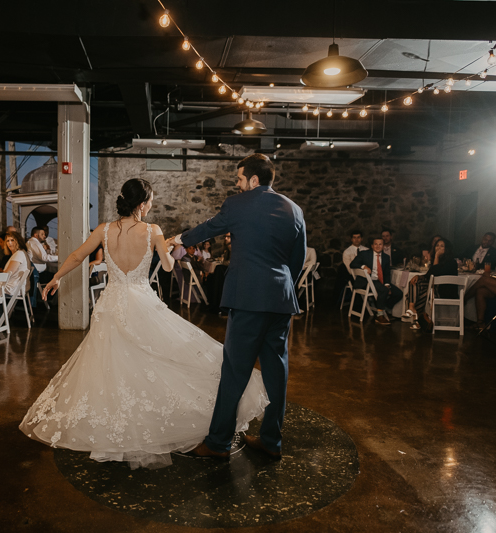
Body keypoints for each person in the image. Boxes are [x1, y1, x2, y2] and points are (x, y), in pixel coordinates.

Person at [20, 178, 269, 469]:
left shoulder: (104, 229)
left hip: (111, 304)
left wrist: (56, 277)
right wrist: (171, 248)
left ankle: (113, 420)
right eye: (150, 201)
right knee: (153, 358)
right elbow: (167, 266)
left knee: (111, 364)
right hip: (141, 301)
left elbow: (77, 255)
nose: (151, 206)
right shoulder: (153, 231)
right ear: (141, 204)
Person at [170, 153, 306, 461]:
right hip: (281, 300)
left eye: (240, 178)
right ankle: (272, 441)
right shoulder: (294, 209)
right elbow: (296, 260)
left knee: (234, 370)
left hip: (248, 298)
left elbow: (209, 228)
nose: (237, 183)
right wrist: (281, 286)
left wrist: (178, 238)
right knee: (277, 371)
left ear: (254, 180)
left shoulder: (237, 204)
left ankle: (218, 443)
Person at [405, 238, 458, 330]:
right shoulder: (437, 260)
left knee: (413, 295)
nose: (438, 248)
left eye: (442, 246)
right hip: (435, 288)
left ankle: (414, 312)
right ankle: (413, 310)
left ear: (447, 248)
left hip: (444, 291)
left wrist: (436, 257)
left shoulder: (451, 262)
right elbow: (429, 276)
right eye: (437, 245)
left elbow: (434, 275)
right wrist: (418, 276)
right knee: (414, 283)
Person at [350, 237, 403, 325]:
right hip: (367, 281)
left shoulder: (386, 257)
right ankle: (379, 315)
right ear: (372, 245)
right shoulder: (365, 254)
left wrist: (387, 284)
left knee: (398, 293)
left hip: (380, 281)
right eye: (376, 244)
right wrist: (364, 267)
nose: (378, 246)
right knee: (384, 290)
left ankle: (383, 306)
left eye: (380, 244)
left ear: (383, 246)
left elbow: (386, 273)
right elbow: (352, 264)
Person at [0, 231, 30, 296]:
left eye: (12, 240)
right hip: (15, 286)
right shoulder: (20, 252)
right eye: (7, 241)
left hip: (12, 288)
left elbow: (6, 275)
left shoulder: (19, 254)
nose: (9, 243)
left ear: (18, 241)